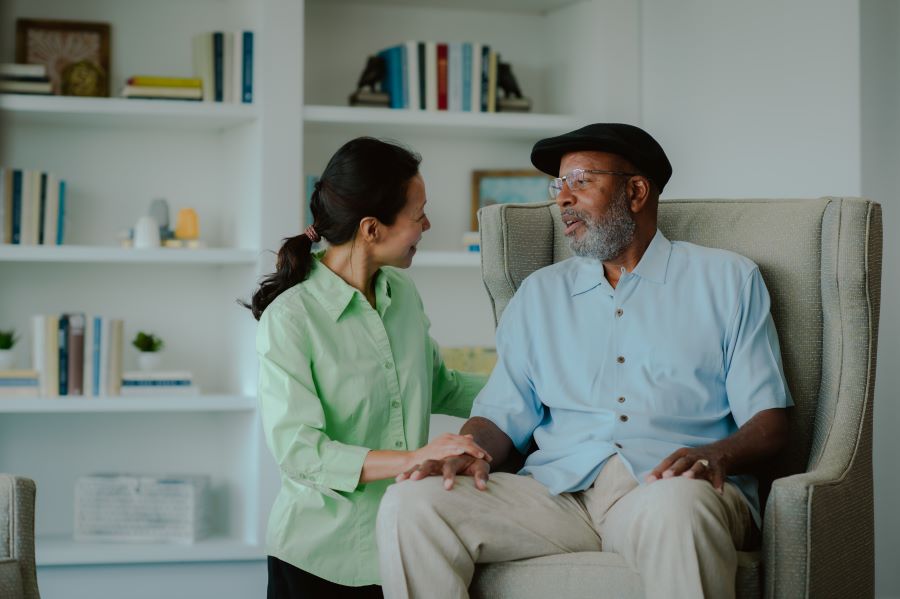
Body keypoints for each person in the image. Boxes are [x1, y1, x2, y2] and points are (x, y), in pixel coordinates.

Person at [375, 124, 793, 599]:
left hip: (666, 489)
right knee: (411, 503)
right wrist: (465, 448)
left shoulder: (727, 281)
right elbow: (501, 416)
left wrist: (716, 454)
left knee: (677, 506)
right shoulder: (540, 294)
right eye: (558, 186)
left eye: (580, 181)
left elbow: (770, 421)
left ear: (635, 191)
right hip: (558, 496)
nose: (562, 200)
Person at [245, 137, 490, 598]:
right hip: (320, 559)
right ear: (372, 228)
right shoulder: (292, 318)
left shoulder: (402, 293)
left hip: (404, 544)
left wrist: (535, 390)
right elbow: (301, 452)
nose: (427, 224)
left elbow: (440, 386)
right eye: (418, 215)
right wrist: (414, 458)